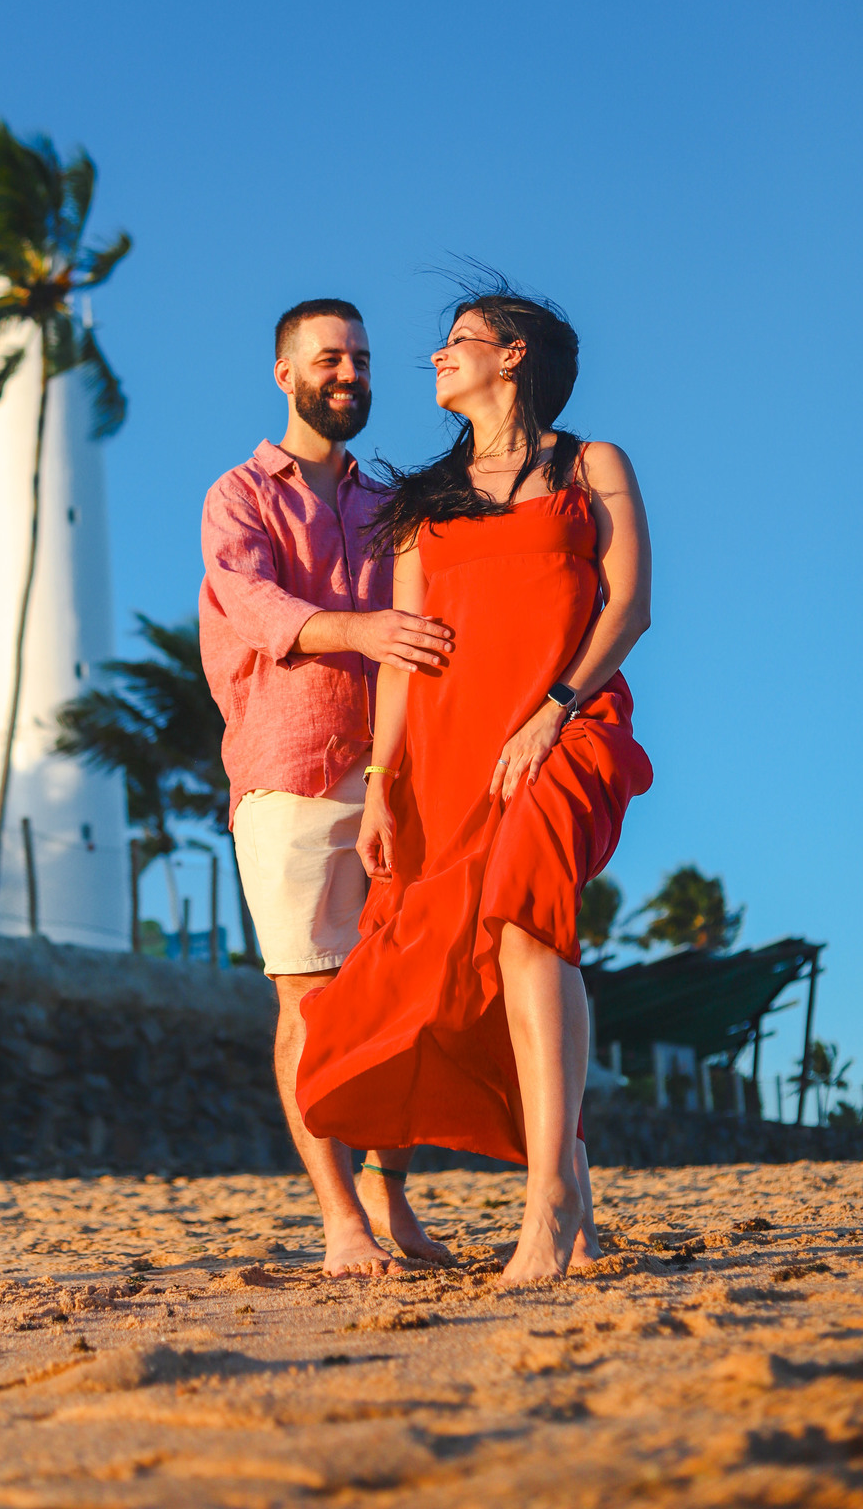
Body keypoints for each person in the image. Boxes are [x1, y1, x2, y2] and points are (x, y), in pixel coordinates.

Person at [296, 283, 653, 1281]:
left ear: (517, 356)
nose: (439, 358)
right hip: (452, 750)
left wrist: (555, 710)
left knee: (531, 913)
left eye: (461, 342)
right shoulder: (422, 507)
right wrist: (382, 785)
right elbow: (405, 659)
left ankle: (547, 1203)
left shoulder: (591, 466)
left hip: (570, 725)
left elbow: (628, 607)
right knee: (508, 940)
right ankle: (571, 1193)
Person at [200, 297, 455, 1276]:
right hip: (289, 765)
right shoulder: (239, 494)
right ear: (284, 373)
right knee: (308, 996)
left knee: (396, 1000)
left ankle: (394, 1206)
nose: (347, 374)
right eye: (327, 359)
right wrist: (360, 631)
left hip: (400, 767)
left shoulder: (391, 500)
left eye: (358, 358)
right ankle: (339, 1219)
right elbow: (255, 603)